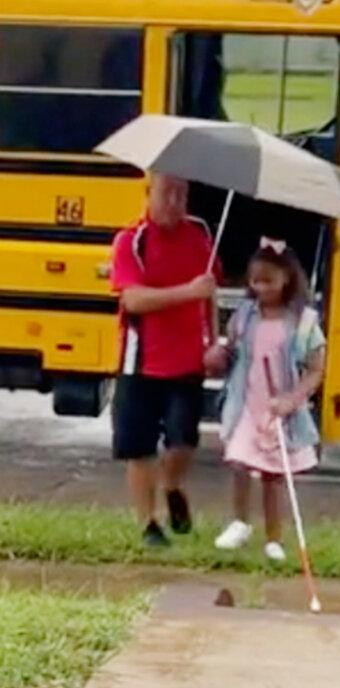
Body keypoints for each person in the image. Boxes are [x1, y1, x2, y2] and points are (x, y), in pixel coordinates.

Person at [110, 173, 218, 547]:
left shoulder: (199, 234)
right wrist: (187, 292)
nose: (175, 202)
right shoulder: (131, 241)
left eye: (182, 194)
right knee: (137, 446)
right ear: (148, 193)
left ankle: (172, 487)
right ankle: (148, 524)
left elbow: (210, 293)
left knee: (183, 441)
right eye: (167, 193)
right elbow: (133, 300)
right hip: (140, 361)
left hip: (187, 360)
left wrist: (213, 341)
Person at [204, 238, 325, 562]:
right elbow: (232, 351)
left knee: (274, 476)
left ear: (287, 278)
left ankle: (274, 538)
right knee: (240, 462)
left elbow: (316, 370)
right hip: (247, 404)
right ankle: (239, 522)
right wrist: (220, 353)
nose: (260, 287)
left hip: (278, 411)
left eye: (268, 280)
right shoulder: (244, 316)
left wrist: (292, 400)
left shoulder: (303, 322)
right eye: (255, 280)